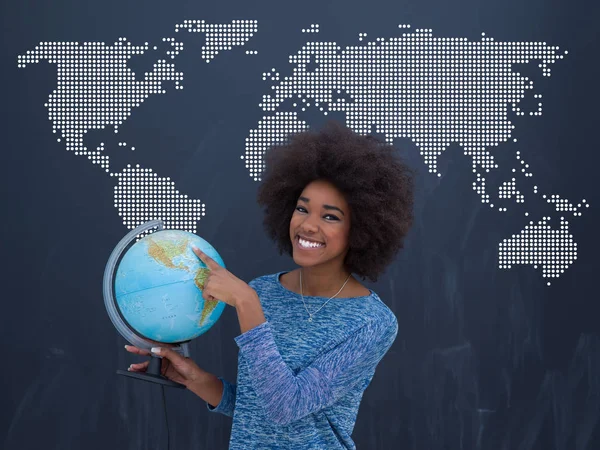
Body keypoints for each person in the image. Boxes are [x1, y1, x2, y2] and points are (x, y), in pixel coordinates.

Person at [125, 121, 415, 449]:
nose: (308, 225)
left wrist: (248, 304)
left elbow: (287, 407)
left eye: (330, 216)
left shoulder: (373, 323)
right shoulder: (264, 291)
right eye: (302, 208)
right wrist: (196, 379)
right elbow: (258, 407)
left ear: (361, 229)